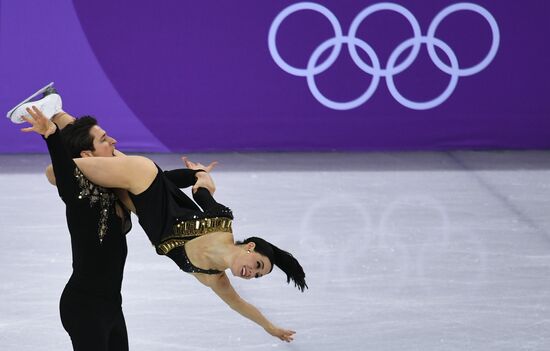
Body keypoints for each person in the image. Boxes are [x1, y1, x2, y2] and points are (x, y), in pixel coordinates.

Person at [20, 103, 308, 343]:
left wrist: (270, 327)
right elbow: (203, 193)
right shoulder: (222, 225)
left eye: (257, 276)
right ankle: (56, 119)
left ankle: (57, 111)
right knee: (59, 171)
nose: (251, 274)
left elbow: (240, 304)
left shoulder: (211, 276)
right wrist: (200, 177)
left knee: (88, 156)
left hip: (132, 199)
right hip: (143, 178)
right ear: (250, 247)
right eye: (258, 265)